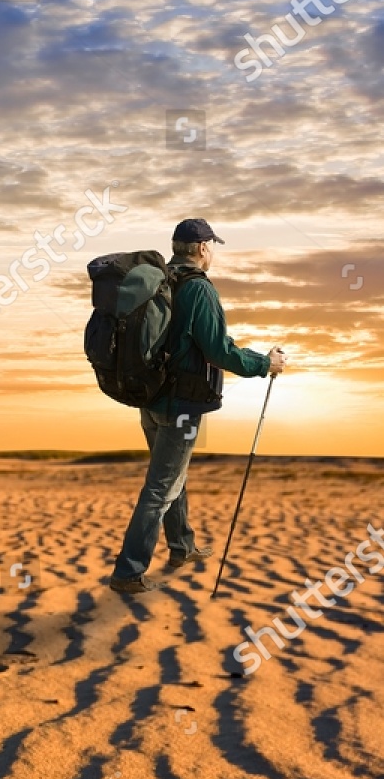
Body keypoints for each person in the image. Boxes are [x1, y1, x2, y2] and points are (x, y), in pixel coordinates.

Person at [109, 218, 287, 594]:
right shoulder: (198, 289)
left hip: (150, 399)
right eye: (213, 246)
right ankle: (128, 572)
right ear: (204, 248)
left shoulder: (158, 281)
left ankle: (182, 546)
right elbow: (218, 350)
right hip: (183, 406)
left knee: (174, 473)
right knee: (161, 486)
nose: (213, 253)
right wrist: (264, 363)